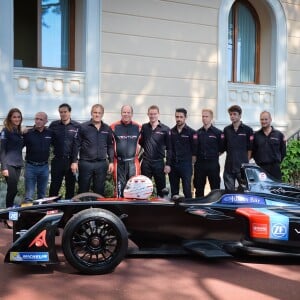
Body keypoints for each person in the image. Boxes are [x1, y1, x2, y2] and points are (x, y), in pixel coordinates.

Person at [71, 104, 114, 195]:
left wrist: (111, 161)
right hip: (86, 163)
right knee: (83, 190)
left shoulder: (107, 128)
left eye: (99, 113)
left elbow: (110, 145)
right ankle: (82, 208)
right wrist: (74, 161)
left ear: (102, 114)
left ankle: (97, 209)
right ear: (91, 113)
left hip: (101, 164)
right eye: (95, 112)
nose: (97, 115)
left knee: (99, 190)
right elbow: (76, 145)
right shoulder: (83, 127)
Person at [48, 103, 80, 199]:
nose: (63, 114)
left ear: (69, 112)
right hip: (57, 160)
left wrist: (75, 161)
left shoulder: (77, 126)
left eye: (65, 112)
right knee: (54, 187)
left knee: (70, 187)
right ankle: (52, 209)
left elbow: (77, 145)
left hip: (71, 161)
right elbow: (45, 136)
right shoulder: (54, 125)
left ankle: (68, 212)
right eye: (61, 112)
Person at [139, 105, 171, 197]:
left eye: (155, 114)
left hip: (159, 163)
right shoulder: (144, 127)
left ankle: (161, 209)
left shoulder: (165, 129)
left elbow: (169, 148)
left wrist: (168, 164)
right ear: (148, 114)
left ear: (158, 114)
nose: (152, 116)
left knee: (161, 189)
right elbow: (141, 143)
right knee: (144, 189)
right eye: (151, 114)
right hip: (146, 163)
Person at [110, 105, 141, 197]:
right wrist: (110, 161)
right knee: (119, 189)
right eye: (124, 112)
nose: (126, 114)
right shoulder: (113, 127)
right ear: (121, 113)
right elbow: (108, 145)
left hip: (133, 163)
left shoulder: (139, 127)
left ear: (132, 114)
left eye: (128, 112)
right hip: (118, 162)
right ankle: (120, 210)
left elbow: (146, 143)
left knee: (134, 188)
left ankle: (133, 211)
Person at [23, 112, 53, 202]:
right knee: (29, 196)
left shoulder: (50, 133)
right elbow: (17, 146)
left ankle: (40, 214)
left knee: (42, 195)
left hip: (44, 167)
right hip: (30, 167)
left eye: (41, 119)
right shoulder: (28, 133)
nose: (38, 121)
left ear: (46, 121)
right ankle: (28, 215)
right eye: (36, 119)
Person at [194, 109, 224, 197]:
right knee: (199, 189)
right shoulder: (197, 133)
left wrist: (214, 155)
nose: (204, 118)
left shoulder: (218, 133)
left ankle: (214, 208)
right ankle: (198, 208)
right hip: (200, 164)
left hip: (213, 164)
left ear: (211, 118)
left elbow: (222, 148)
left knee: (215, 189)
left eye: (206, 116)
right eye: (203, 116)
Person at [223, 105, 253, 190]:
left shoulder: (248, 130)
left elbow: (250, 149)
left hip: (242, 168)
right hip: (229, 167)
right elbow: (223, 147)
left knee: (244, 192)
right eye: (231, 114)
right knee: (229, 193)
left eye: (234, 114)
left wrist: (246, 162)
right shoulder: (226, 130)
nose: (232, 116)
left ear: (240, 116)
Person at [169, 108, 197, 198]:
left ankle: (188, 209)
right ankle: (174, 211)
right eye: (177, 117)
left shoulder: (191, 132)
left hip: (186, 166)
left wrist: (191, 163)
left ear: (185, 117)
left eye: (181, 117)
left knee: (187, 190)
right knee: (174, 191)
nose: (179, 119)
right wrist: (168, 164)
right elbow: (169, 149)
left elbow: (194, 150)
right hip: (173, 165)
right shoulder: (171, 132)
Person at [0, 108, 24, 209]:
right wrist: (4, 167)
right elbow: (1, 149)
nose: (16, 119)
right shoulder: (6, 130)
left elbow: (19, 147)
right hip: (9, 164)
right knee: (13, 189)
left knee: (13, 189)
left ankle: (9, 211)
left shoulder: (19, 132)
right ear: (10, 118)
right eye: (14, 117)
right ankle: (8, 212)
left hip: (18, 164)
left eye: (18, 117)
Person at [252, 111, 286, 180]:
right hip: (261, 168)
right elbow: (253, 151)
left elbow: (283, 151)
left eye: (266, 119)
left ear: (270, 120)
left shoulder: (279, 135)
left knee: (276, 189)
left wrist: (277, 162)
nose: (263, 121)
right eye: (261, 119)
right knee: (262, 189)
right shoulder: (256, 135)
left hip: (275, 168)